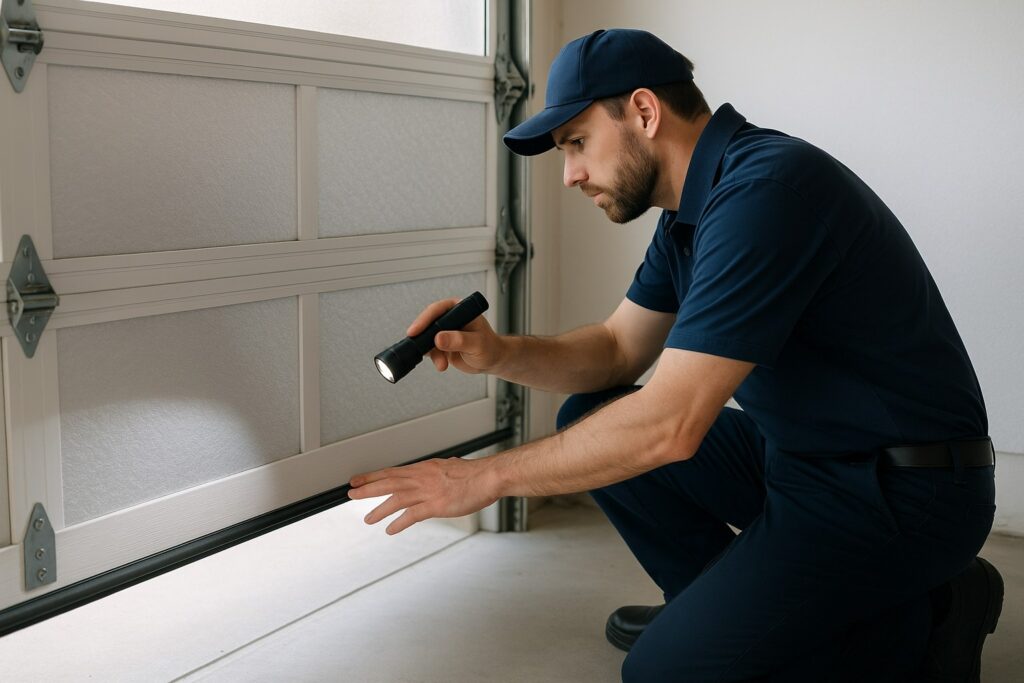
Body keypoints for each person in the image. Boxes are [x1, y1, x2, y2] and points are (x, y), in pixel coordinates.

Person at [348, 28, 1003, 682]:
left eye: (576, 142)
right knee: (587, 414)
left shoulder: (766, 192)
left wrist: (481, 478)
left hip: (903, 490)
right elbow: (616, 349)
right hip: (802, 458)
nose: (570, 173)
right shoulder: (690, 214)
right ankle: (712, 607)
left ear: (643, 111)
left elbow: (670, 424)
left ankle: (932, 615)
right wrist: (496, 352)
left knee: (661, 673)